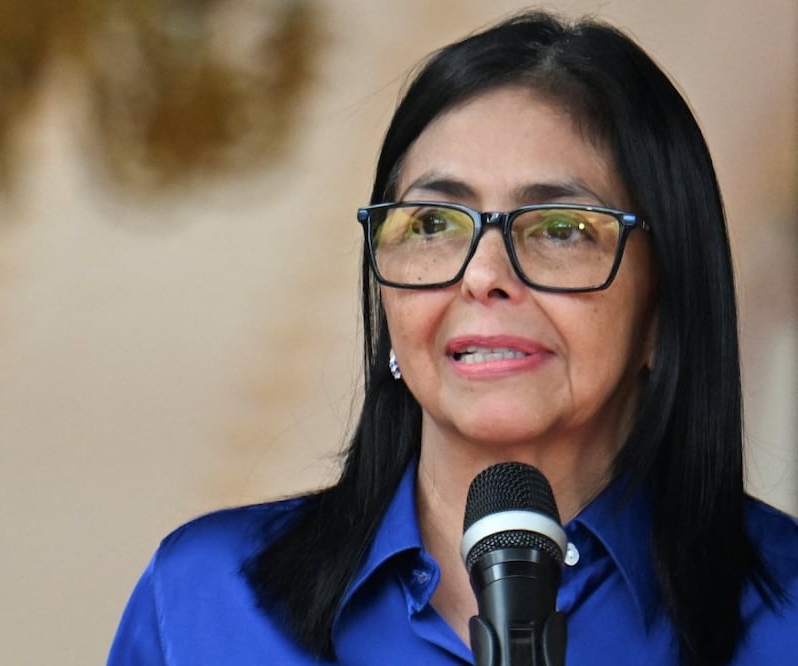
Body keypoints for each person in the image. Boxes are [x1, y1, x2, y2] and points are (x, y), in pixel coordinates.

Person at [107, 11, 798, 665]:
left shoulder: (783, 614)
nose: (484, 276)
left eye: (559, 229)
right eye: (434, 225)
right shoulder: (207, 601)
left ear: (664, 307)